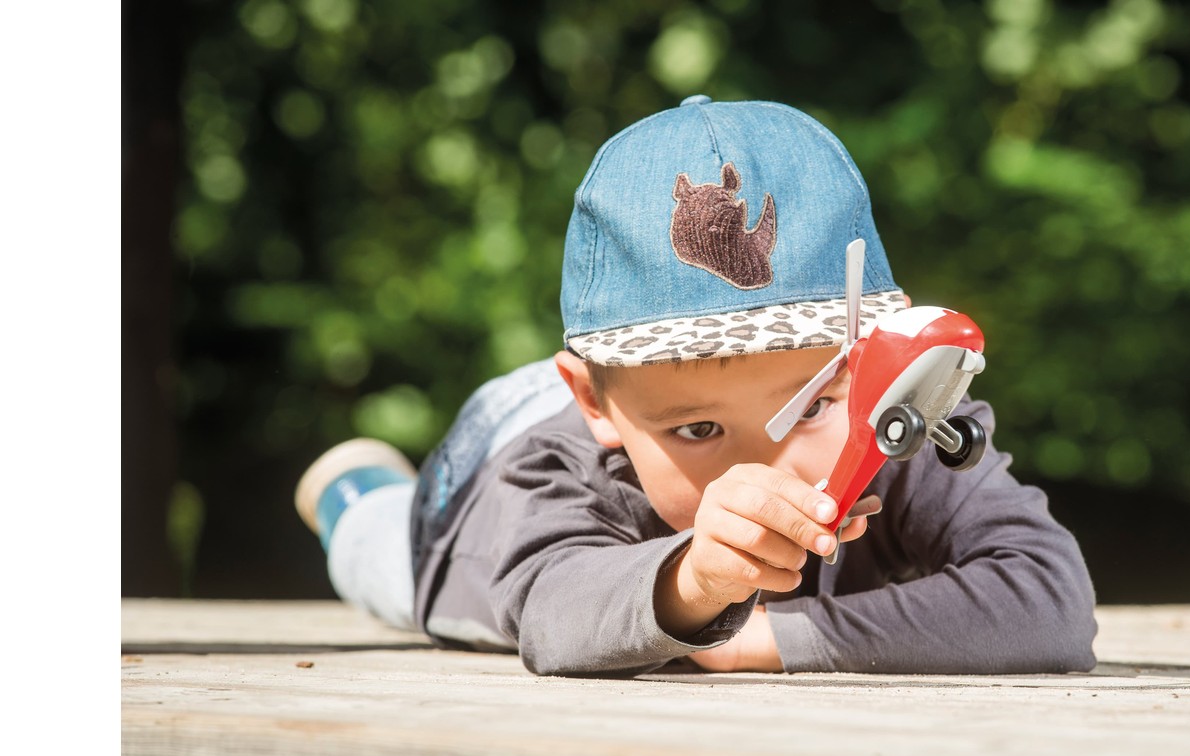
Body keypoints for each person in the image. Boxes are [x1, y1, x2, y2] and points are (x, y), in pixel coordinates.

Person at [294, 96, 1098, 678]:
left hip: (630, 384)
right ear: (594, 402)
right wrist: (693, 585)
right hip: (477, 474)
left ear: (874, 360)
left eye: (812, 404)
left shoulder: (896, 421)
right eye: (702, 432)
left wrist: (769, 640)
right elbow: (555, 615)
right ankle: (353, 482)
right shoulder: (548, 475)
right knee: (383, 555)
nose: (767, 470)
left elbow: (1050, 601)